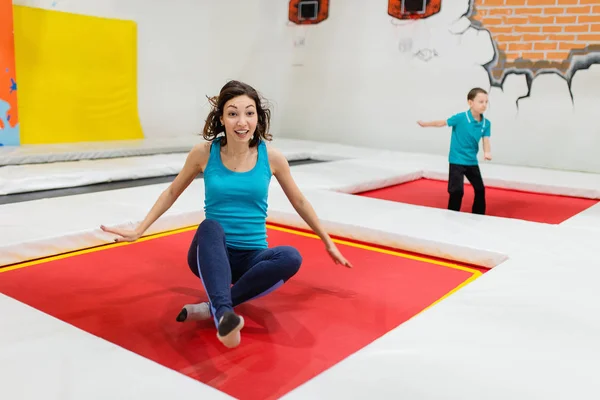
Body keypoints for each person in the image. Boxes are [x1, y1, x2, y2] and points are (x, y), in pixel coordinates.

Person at [100, 80, 352, 349]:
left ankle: (214, 308)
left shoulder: (273, 158)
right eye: (233, 113)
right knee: (210, 226)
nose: (241, 121)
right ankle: (223, 315)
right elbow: (173, 191)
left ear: (258, 117)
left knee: (291, 256)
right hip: (210, 252)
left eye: (249, 112)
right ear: (221, 118)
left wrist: (327, 241)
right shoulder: (204, 154)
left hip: (250, 259)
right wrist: (139, 229)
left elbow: (299, 201)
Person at [417, 87, 492, 215]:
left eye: (486, 102)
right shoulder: (461, 118)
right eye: (481, 102)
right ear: (470, 102)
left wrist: (487, 152)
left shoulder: (486, 123)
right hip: (457, 160)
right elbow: (442, 123)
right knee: (457, 191)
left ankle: (479, 215)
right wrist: (426, 124)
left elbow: (486, 139)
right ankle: (453, 215)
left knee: (480, 189)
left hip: (471, 161)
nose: (484, 105)